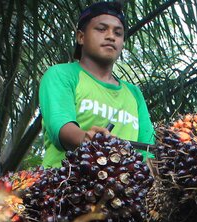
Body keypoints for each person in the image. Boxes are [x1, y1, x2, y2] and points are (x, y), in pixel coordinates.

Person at [37, 1, 154, 168]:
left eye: (118, 33)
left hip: (125, 191)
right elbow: (60, 127)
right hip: (63, 186)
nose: (111, 36)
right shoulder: (61, 75)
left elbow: (148, 150)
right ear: (81, 37)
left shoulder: (134, 94)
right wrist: (87, 138)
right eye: (101, 29)